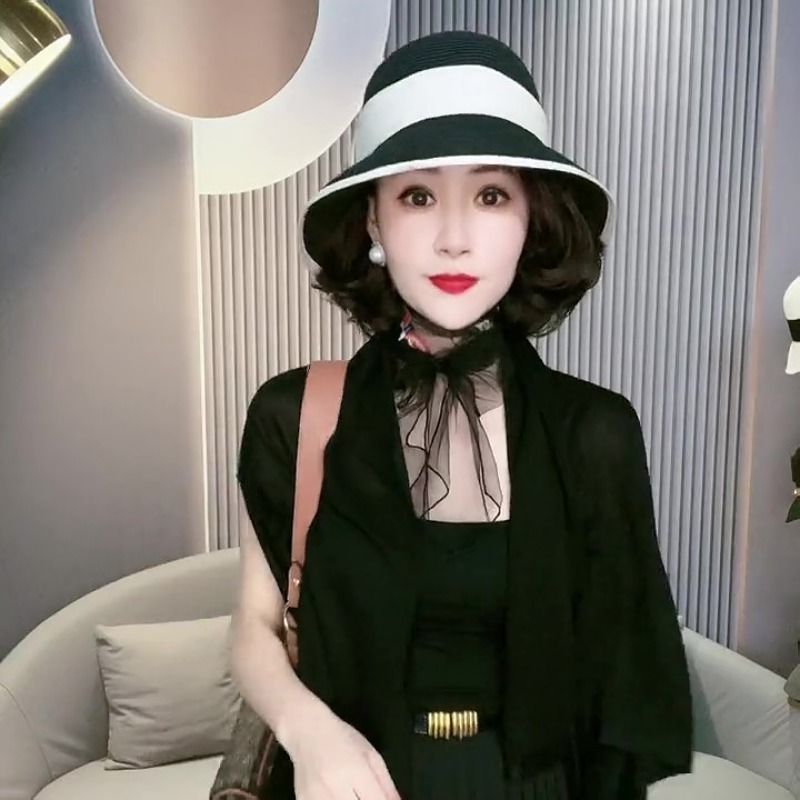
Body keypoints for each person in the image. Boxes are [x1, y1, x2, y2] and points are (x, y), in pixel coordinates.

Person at [229, 30, 693, 800]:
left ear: (530, 218)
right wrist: (308, 731)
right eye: (417, 196)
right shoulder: (296, 413)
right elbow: (253, 624)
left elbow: (624, 679)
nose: (453, 239)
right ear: (373, 222)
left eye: (490, 195)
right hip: (352, 783)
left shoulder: (596, 432)